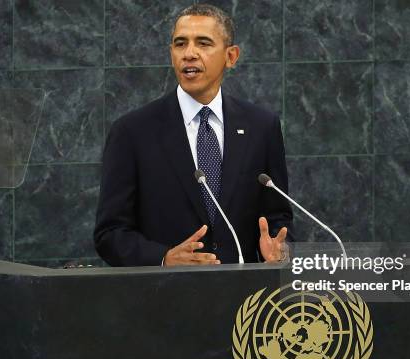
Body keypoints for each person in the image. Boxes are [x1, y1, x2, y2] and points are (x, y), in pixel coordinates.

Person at [94, 4, 293, 267]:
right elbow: (110, 234)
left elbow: (278, 218)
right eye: (180, 44)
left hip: (242, 299)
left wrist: (282, 252)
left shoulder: (261, 126)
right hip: (163, 297)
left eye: (203, 43)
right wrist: (163, 258)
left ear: (231, 56)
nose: (189, 54)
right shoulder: (132, 132)